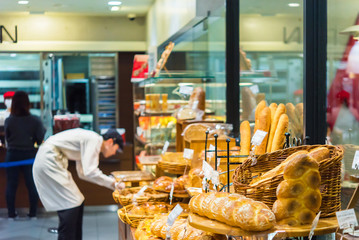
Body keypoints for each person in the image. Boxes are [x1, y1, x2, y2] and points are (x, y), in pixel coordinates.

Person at [33, 128, 125, 240]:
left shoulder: (92, 140)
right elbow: (90, 171)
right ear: (111, 142)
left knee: (76, 200)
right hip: (49, 160)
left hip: (51, 159)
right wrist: (113, 183)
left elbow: (83, 173)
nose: (115, 153)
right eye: (116, 149)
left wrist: (111, 183)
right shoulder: (95, 140)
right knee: (71, 203)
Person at [4, 91, 46, 219]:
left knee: (11, 185)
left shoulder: (9, 120)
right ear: (28, 103)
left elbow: (7, 138)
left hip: (12, 155)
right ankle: (32, 213)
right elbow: (39, 139)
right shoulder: (35, 120)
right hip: (29, 155)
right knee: (32, 184)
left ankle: (11, 214)